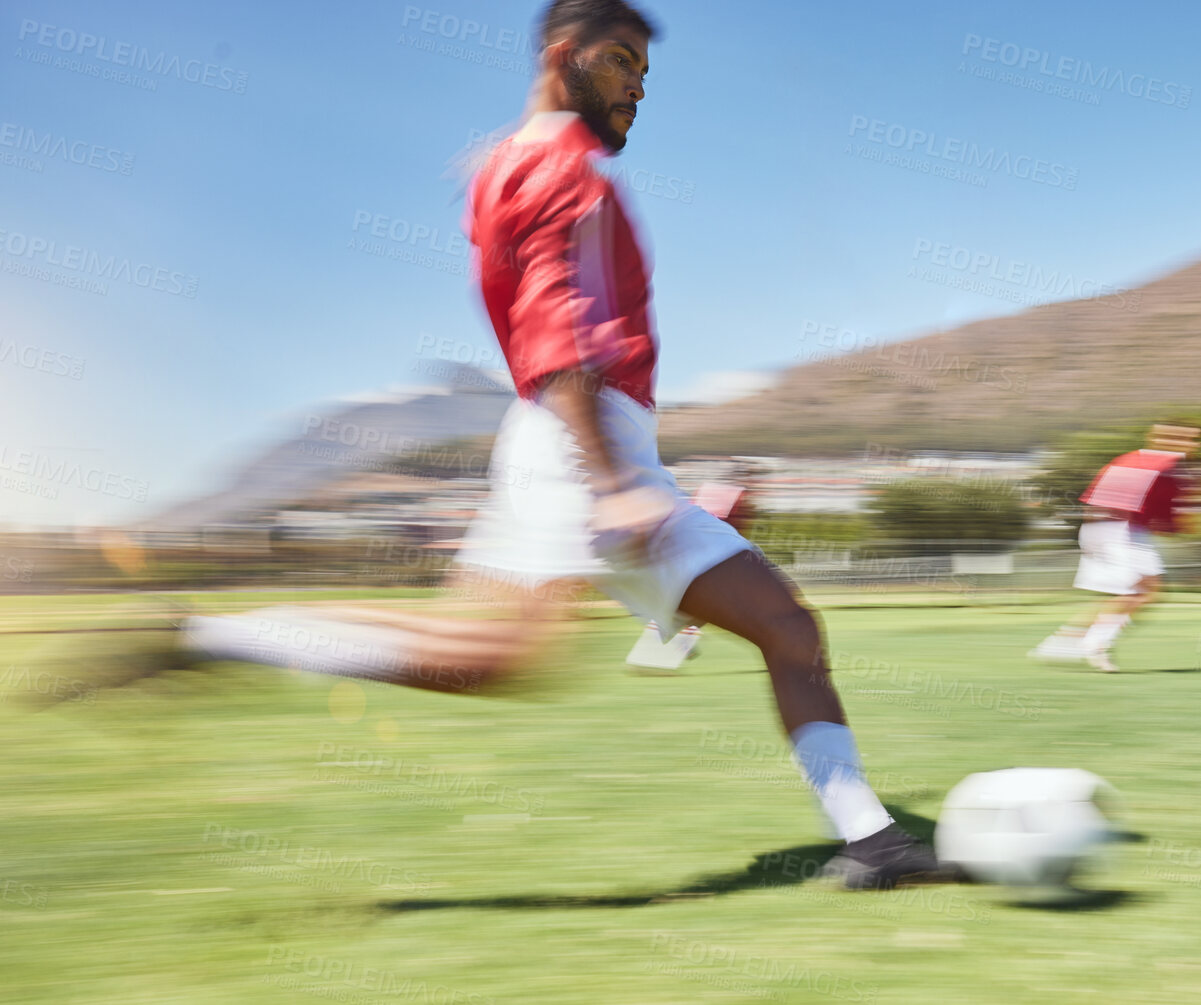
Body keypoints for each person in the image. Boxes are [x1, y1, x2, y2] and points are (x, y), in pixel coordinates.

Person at [111, 0, 949, 890]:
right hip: (581, 445)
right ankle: (215, 635)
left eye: (645, 72)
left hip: (595, 441)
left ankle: (874, 846)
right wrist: (612, 480)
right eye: (621, 60)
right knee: (492, 662)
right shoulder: (566, 169)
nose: (637, 85)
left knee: (785, 625)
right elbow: (559, 332)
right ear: (564, 55)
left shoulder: (520, 164)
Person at [1030, 423, 1201, 672]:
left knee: (1139, 593)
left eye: (1193, 439)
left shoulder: (1129, 458)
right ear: (1160, 439)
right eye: (1184, 439)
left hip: (1103, 528)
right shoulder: (1168, 468)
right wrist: (1183, 525)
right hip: (1122, 530)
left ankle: (1064, 642)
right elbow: (1169, 520)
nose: (1191, 445)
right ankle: (1092, 644)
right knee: (1139, 594)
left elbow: (1098, 498)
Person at [626, 459, 758, 671]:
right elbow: (730, 531)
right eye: (753, 477)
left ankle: (661, 651)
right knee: (697, 610)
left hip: (684, 552)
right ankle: (661, 652)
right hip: (711, 557)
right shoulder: (739, 498)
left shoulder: (709, 490)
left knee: (688, 609)